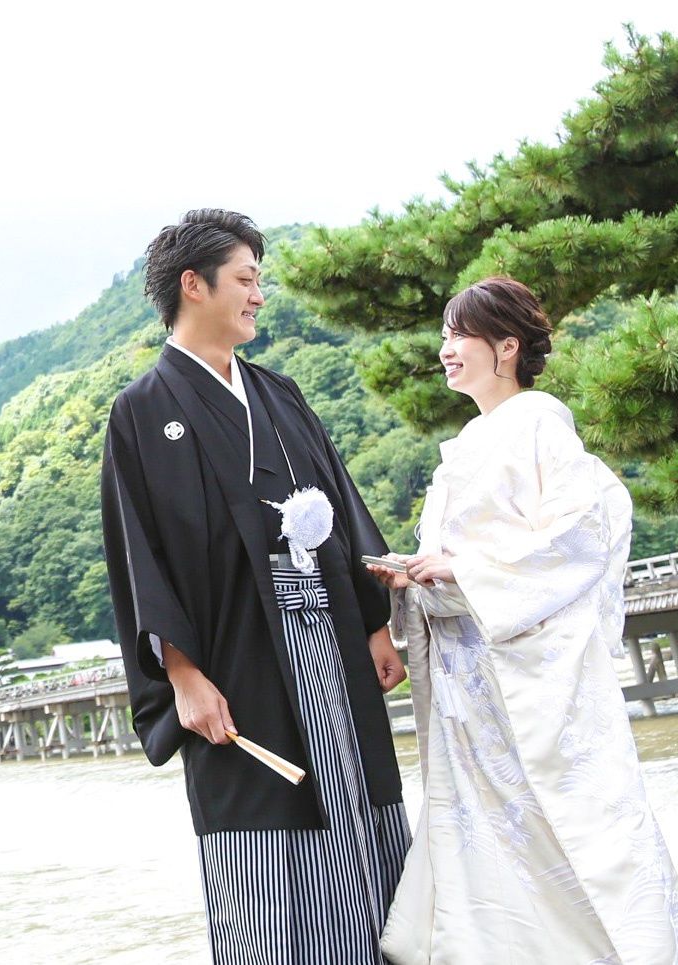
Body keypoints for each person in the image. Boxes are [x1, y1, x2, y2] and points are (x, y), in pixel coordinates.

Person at [101, 208, 411, 964]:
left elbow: (341, 507)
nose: (258, 295)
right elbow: (138, 555)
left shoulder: (280, 394)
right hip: (237, 655)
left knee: (359, 804)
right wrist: (182, 675)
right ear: (193, 285)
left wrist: (374, 622)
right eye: (245, 279)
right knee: (269, 834)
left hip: (329, 634)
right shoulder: (142, 412)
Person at [370, 277, 678, 964]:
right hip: (470, 679)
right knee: (485, 829)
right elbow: (456, 562)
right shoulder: (468, 443)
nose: (446, 349)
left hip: (523, 669)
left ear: (506, 347)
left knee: (560, 821)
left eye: (460, 335)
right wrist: (414, 577)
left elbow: (580, 536)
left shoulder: (540, 423)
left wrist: (464, 570)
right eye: (445, 335)